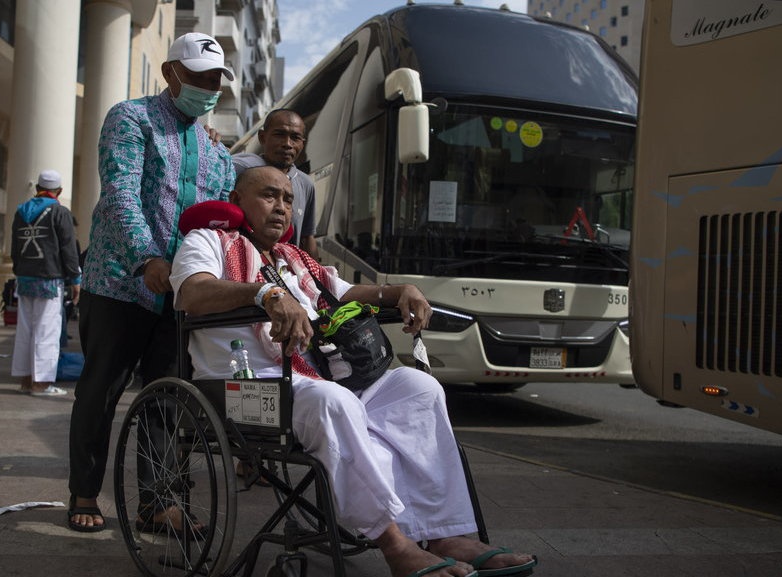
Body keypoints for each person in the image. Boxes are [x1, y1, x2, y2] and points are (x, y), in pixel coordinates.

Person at [170, 166, 538, 577]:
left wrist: (399, 291)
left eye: (288, 200)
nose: (281, 208)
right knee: (335, 401)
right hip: (244, 389)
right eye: (269, 196)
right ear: (237, 202)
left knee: (419, 388)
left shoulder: (296, 259)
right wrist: (265, 293)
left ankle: (444, 533)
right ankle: (396, 545)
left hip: (318, 378)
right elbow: (192, 292)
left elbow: (344, 292)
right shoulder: (208, 241)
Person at [67, 31, 237, 532]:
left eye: (215, 82)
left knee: (167, 399)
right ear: (171, 73)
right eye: (199, 78)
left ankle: (157, 504)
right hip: (120, 283)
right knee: (101, 392)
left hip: (179, 295)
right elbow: (119, 190)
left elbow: (220, 219)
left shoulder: (217, 154)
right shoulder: (131, 117)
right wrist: (146, 258)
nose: (207, 89)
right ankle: (83, 492)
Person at [10, 169, 81, 397]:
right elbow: (68, 248)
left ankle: (26, 379)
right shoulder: (59, 212)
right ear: (58, 191)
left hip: (24, 279)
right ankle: (42, 384)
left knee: (25, 330)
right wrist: (75, 278)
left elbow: (14, 249)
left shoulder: (21, 212)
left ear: (36, 188)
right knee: (46, 331)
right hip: (49, 279)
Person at [233, 108, 318, 258]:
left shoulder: (306, 184)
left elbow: (307, 237)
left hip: (285, 274)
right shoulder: (238, 169)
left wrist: (317, 278)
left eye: (295, 137)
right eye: (279, 135)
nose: (287, 144)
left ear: (302, 144)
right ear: (262, 137)